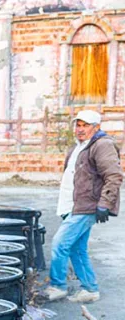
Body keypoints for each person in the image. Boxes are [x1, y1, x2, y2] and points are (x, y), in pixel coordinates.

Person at [42, 110, 123, 303]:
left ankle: (58, 286)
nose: (80, 129)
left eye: (85, 125)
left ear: (96, 127)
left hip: (87, 205)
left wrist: (105, 203)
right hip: (72, 204)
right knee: (76, 249)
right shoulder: (78, 147)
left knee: (59, 244)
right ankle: (90, 289)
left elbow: (114, 175)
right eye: (77, 125)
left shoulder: (102, 145)